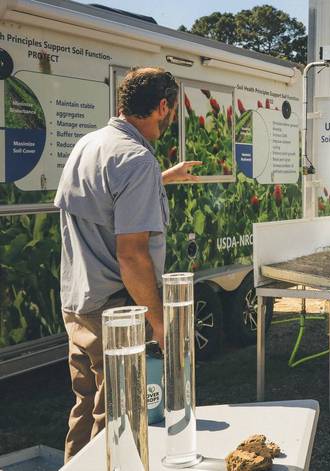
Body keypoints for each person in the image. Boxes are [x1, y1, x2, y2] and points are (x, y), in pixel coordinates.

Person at [53, 67, 199, 461]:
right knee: (115, 419)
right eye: (171, 112)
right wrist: (158, 322)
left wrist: (161, 178)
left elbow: (103, 200)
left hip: (78, 303)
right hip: (116, 312)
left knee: (86, 408)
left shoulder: (89, 144)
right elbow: (132, 254)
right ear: (163, 106)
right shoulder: (136, 160)